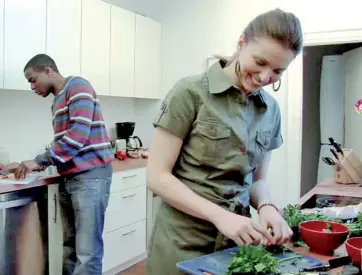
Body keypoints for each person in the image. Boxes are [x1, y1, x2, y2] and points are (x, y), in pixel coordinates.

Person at [146, 8, 304, 275]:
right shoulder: (190, 93)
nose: (266, 77)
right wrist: (220, 216)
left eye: (278, 70)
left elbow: (258, 180)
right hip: (182, 242)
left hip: (237, 241)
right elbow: (157, 177)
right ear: (241, 42)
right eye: (260, 61)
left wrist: (267, 208)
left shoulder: (271, 111)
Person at [15, 54, 114, 275]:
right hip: (71, 178)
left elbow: (77, 136)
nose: (32, 87)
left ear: (48, 71)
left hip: (91, 176)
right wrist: (36, 163)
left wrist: (40, 160)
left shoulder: (77, 86)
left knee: (88, 252)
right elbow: (63, 143)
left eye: (33, 79)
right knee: (69, 247)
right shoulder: (57, 101)